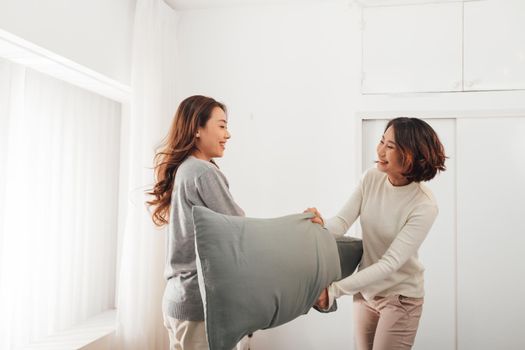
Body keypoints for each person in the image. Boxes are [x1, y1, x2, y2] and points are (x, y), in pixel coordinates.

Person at [305, 117, 446, 350]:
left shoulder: (424, 204)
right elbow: (341, 222)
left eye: (390, 146)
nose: (380, 150)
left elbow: (390, 263)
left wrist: (334, 291)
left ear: (411, 155)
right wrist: (320, 225)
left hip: (401, 299)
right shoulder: (372, 177)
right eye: (382, 141)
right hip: (366, 293)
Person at [147, 95, 249, 350]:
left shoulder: (185, 168)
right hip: (196, 304)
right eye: (222, 126)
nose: (228, 135)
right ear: (197, 129)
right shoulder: (202, 172)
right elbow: (241, 229)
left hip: (178, 299)